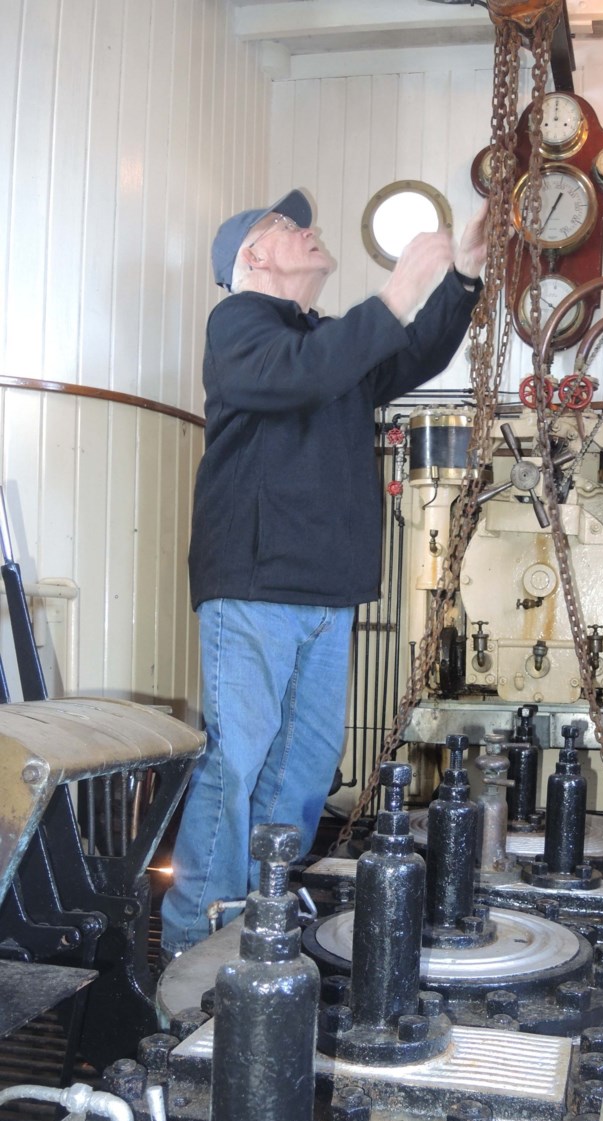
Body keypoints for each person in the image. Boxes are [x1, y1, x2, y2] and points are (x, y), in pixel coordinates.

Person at [160, 188, 487, 957]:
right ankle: (188, 948)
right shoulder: (238, 323)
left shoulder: (325, 340)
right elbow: (298, 375)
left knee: (302, 770)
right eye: (286, 226)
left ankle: (258, 924)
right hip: (256, 582)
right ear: (253, 257)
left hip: (323, 590)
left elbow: (406, 354)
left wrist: (462, 281)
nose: (308, 230)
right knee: (238, 761)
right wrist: (396, 292)